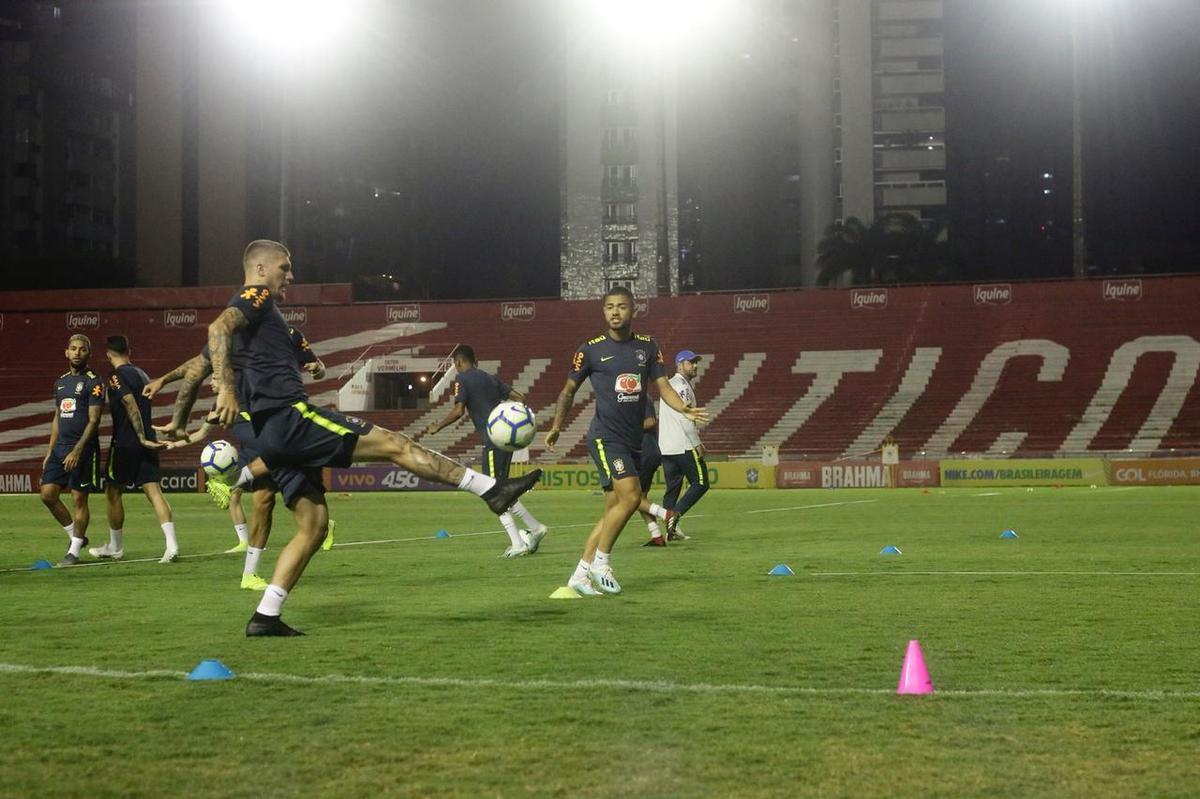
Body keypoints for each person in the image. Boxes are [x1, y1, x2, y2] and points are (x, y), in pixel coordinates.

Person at [207, 240, 541, 635]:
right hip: (290, 419)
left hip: (271, 432)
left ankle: (266, 616)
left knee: (314, 525)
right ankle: (491, 490)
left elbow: (198, 364)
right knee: (395, 444)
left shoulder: (255, 324)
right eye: (285, 267)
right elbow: (217, 327)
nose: (291, 275)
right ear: (261, 269)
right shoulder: (257, 296)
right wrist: (225, 390)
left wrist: (178, 415)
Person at [544, 286, 708, 596]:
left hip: (633, 442)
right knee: (632, 497)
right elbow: (568, 391)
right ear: (604, 311)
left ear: (634, 309)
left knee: (614, 509)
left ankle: (579, 575)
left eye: (621, 306)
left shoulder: (648, 347)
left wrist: (683, 408)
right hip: (606, 437)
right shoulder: (589, 350)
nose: (615, 311)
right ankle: (601, 563)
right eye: (609, 307)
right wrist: (556, 427)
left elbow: (663, 386)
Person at [145, 322, 334, 590]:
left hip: (283, 415)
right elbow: (197, 364)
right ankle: (249, 575)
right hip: (250, 414)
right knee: (262, 501)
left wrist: (317, 368)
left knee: (294, 492)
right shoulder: (231, 337)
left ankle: (235, 482)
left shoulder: (290, 334)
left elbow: (319, 367)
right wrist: (163, 381)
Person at [426, 345, 549, 557]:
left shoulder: (462, 379)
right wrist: (514, 423)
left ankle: (518, 543)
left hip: (493, 441)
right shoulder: (489, 378)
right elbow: (520, 398)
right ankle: (535, 528)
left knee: (492, 492)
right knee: (502, 490)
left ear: (458, 362)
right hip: (506, 443)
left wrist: (438, 426)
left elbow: (458, 410)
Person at [88, 336, 174, 563]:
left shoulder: (116, 376)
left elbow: (128, 402)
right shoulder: (142, 374)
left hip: (127, 442)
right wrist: (146, 437)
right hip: (148, 440)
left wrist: (140, 437)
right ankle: (172, 545)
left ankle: (115, 547)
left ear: (108, 354)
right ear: (129, 351)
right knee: (154, 491)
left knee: (112, 491)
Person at [42, 334, 105, 566]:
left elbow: (94, 420)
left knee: (79, 498)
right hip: (60, 448)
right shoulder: (60, 382)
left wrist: (77, 451)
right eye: (73, 348)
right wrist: (50, 451)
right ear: (66, 352)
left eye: (82, 349)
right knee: (47, 495)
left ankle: (74, 552)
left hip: (83, 449)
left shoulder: (94, 382)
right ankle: (75, 536)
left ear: (89, 354)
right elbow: (57, 417)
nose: (77, 352)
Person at [658, 349, 709, 537]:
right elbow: (685, 417)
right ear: (680, 365)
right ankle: (675, 515)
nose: (695, 366)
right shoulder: (682, 387)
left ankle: (670, 530)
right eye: (690, 362)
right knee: (701, 483)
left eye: (696, 362)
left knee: (672, 489)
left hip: (667, 446)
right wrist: (697, 443)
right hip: (683, 444)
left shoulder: (670, 385)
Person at [636, 404, 688, 547]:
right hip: (644, 453)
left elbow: (651, 421)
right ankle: (656, 536)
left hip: (644, 453)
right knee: (640, 497)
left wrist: (627, 429)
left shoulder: (641, 398)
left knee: (630, 497)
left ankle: (666, 514)